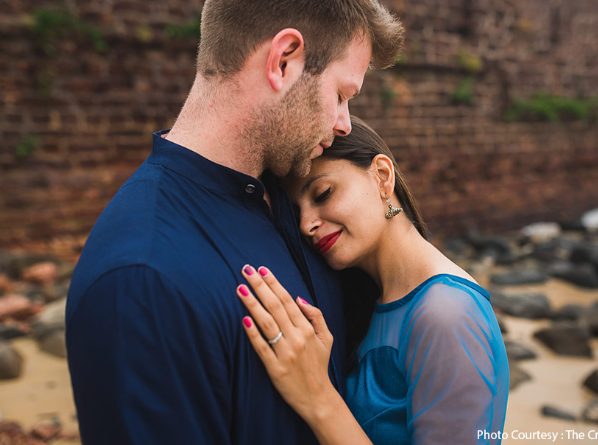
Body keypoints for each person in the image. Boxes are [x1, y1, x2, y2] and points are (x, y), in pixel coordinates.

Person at [65, 2, 404, 443]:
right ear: (283, 61)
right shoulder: (140, 279)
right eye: (341, 95)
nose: (344, 124)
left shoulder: (297, 204)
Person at [236, 116, 510, 445]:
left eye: (322, 194)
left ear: (382, 177)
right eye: (295, 213)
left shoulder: (446, 315)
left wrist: (319, 397)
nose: (306, 224)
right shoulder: (375, 302)